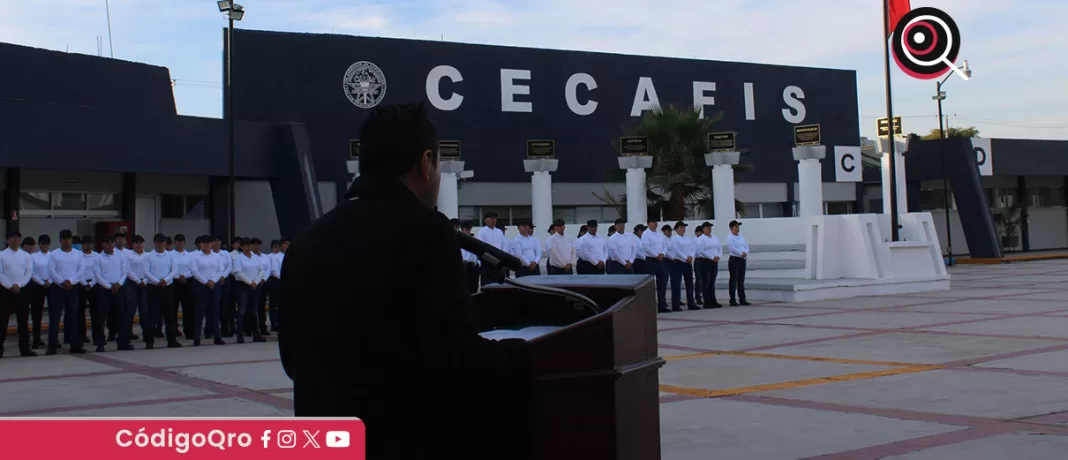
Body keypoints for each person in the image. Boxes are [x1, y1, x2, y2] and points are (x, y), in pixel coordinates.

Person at [279, 102, 528, 458]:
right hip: (404, 439)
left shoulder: (306, 240)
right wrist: (529, 353)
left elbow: (292, 361)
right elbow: (456, 360)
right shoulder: (426, 232)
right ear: (425, 163)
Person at [47, 230, 86, 355]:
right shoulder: (54, 254)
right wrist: (61, 282)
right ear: (60, 241)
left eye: (68, 238)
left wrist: (71, 281)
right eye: (64, 239)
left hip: (73, 287)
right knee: (55, 318)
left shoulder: (78, 254)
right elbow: (51, 271)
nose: (66, 241)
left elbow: (81, 270)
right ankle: (52, 346)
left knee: (73, 317)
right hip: (58, 288)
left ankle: (74, 344)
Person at [0, 231, 36, 357]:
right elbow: (0, 274)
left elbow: (28, 272)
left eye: (17, 238)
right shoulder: (1, 255)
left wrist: (19, 285)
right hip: (5, 290)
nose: (15, 240)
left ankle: (25, 348)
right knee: (2, 320)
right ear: (7, 240)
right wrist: (10, 286)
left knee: (23, 321)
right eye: (12, 238)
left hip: (22, 290)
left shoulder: (26, 256)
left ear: (20, 240)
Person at [94, 234, 132, 351]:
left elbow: (125, 271)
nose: (109, 245)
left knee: (122, 316)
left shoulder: (120, 257)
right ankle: (100, 343)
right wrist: (109, 286)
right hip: (104, 289)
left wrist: (119, 284)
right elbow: (97, 275)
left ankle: (123, 342)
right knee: (101, 317)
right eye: (106, 243)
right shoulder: (98, 258)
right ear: (103, 244)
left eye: (111, 243)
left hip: (119, 288)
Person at [145, 234, 180, 349]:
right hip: (154, 287)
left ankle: (171, 340)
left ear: (165, 243)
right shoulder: (149, 256)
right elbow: (146, 272)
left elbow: (174, 270)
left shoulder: (170, 256)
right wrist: (157, 281)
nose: (160, 244)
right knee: (152, 315)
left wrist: (165, 280)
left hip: (167, 286)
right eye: (158, 242)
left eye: (162, 242)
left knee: (170, 315)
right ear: (154, 243)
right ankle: (149, 341)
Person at [190, 235, 226, 346]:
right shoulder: (195, 256)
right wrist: (206, 282)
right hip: (201, 286)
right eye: (204, 243)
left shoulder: (216, 257)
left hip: (214, 286)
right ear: (200, 244)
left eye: (209, 243)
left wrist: (213, 281)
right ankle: (197, 338)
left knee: (214, 312)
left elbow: (221, 270)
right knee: (199, 313)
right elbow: (194, 271)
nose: (206, 245)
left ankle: (217, 336)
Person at [233, 237, 267, 344]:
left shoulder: (256, 258)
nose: (248, 248)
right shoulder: (239, 258)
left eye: (249, 246)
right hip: (243, 285)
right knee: (242, 310)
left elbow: (261, 270)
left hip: (255, 285)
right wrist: (249, 282)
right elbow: (238, 272)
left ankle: (256, 333)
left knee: (254, 311)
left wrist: (256, 282)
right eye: (246, 246)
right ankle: (240, 335)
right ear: (241, 247)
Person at [667, 222, 697, 311]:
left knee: (690, 283)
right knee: (676, 284)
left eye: (684, 227)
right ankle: (675, 304)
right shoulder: (674, 239)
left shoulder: (688, 238)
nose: (683, 229)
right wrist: (685, 258)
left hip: (688, 262)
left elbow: (693, 248)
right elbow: (677, 251)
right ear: (676, 229)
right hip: (678, 262)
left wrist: (691, 256)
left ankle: (691, 303)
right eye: (681, 227)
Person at [26, 235, 49, 349]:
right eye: (43, 244)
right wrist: (41, 282)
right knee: (37, 314)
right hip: (37, 285)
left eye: (47, 244)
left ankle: (52, 339)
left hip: (51, 284)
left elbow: (55, 269)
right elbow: (32, 272)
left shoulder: (52, 255)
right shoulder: (34, 257)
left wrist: (50, 281)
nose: (45, 246)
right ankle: (36, 339)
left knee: (54, 313)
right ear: (39, 245)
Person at [125, 235, 149, 341]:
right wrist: (138, 281)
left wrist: (144, 280)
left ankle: (147, 333)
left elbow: (151, 270)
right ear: (132, 245)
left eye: (141, 243)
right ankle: (128, 332)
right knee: (130, 310)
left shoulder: (147, 256)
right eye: (137, 243)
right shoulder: (129, 256)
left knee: (144, 310)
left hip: (145, 283)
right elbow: (127, 270)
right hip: (132, 284)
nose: (139, 245)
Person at [642, 220, 670, 313]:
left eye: (655, 224)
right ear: (648, 224)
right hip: (651, 260)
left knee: (662, 282)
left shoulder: (659, 235)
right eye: (652, 224)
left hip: (660, 259)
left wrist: (663, 253)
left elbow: (665, 245)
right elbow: (646, 247)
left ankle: (662, 304)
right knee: (650, 284)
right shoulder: (646, 234)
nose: (654, 225)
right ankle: (649, 306)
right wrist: (655, 255)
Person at [694, 223, 723, 309]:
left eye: (710, 227)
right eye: (707, 228)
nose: (709, 229)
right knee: (706, 282)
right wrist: (712, 257)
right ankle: (707, 301)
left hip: (714, 261)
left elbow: (719, 248)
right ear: (703, 229)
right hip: (705, 261)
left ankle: (713, 300)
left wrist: (718, 256)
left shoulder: (714, 237)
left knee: (712, 282)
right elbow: (701, 251)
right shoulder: (701, 239)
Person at [78, 236, 99, 344]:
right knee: (80, 312)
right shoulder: (78, 255)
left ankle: (97, 335)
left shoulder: (97, 256)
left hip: (94, 284)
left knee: (95, 312)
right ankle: (82, 335)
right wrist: (84, 283)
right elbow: (77, 271)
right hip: (81, 283)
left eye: (89, 243)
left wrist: (91, 283)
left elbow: (98, 272)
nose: (87, 245)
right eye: (85, 243)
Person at [475, 212, 506, 285]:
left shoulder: (499, 232)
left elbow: (503, 246)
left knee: (499, 285)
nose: (493, 220)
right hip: (487, 263)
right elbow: (481, 248)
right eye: (491, 218)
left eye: (495, 218)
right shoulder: (482, 232)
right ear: (486, 220)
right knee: (487, 284)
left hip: (498, 262)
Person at [172, 234, 193, 338]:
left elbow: (192, 269)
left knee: (188, 308)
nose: (180, 243)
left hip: (186, 282)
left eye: (181, 241)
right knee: (172, 308)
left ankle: (189, 331)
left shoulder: (189, 255)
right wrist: (177, 276)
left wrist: (184, 276)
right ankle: (173, 330)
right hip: (174, 282)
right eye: (177, 241)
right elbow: (170, 268)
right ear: (174, 242)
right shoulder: (170, 255)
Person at [726, 220, 751, 306]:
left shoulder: (741, 237)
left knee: (741, 280)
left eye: (738, 226)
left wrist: (745, 253)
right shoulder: (730, 237)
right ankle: (732, 299)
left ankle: (742, 299)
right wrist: (741, 253)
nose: (737, 228)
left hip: (742, 259)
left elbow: (746, 246)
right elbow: (732, 248)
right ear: (731, 228)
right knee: (733, 280)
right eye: (736, 227)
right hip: (734, 259)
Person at [265, 240, 284, 333]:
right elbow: (273, 271)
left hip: (282, 281)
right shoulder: (268, 257)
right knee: (273, 303)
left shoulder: (283, 256)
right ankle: (273, 323)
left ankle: (280, 322)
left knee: (281, 304)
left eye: (277, 247)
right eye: (274, 247)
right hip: (273, 281)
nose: (275, 248)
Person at [459, 221, 481, 294]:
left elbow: (478, 253)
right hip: (463, 266)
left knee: (474, 288)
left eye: (470, 228)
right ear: (462, 229)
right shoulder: (458, 240)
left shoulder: (474, 240)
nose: (469, 230)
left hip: (473, 266)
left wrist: (478, 263)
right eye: (467, 228)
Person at [692, 226, 705, 305]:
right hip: (698, 260)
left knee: (705, 280)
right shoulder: (694, 241)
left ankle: (705, 296)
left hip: (704, 260)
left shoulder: (704, 240)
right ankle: (698, 297)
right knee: (699, 280)